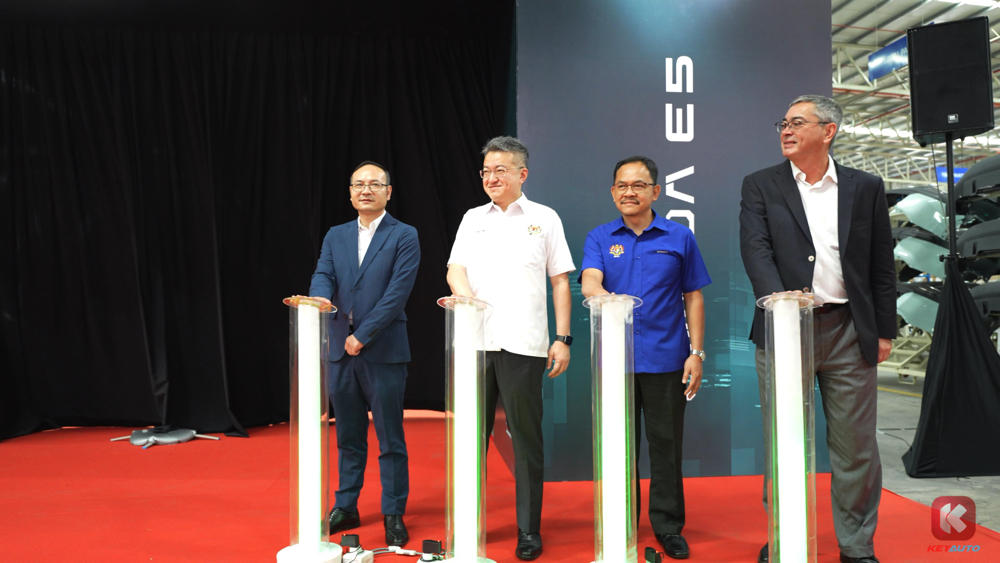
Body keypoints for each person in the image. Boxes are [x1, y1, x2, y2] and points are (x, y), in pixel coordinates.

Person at [739, 95, 895, 563]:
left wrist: (884, 330)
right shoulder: (760, 184)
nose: (786, 131)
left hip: (850, 330)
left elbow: (881, 262)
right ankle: (784, 538)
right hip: (784, 331)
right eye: (783, 123)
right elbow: (756, 250)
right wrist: (780, 301)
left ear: (828, 131)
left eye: (797, 123)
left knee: (857, 448)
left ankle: (857, 546)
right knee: (784, 442)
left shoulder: (866, 187)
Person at [446, 136, 575, 560]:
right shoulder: (472, 218)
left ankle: (529, 529)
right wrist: (466, 297)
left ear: (522, 173)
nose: (491, 178)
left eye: (500, 170)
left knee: (526, 440)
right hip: (475, 344)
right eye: (486, 171)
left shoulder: (544, 218)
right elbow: (455, 269)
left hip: (524, 344)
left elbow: (560, 280)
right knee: (470, 440)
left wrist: (562, 338)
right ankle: (467, 525)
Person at [580, 156, 711, 560]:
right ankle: (620, 523)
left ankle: (668, 527)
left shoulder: (679, 236)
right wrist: (604, 297)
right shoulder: (600, 237)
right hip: (615, 363)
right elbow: (589, 280)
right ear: (612, 192)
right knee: (619, 448)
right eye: (622, 185)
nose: (629, 192)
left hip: (666, 359)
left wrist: (696, 352)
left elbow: (693, 296)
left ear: (655, 191)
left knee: (666, 447)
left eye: (638, 185)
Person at [305, 161, 421, 547]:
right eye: (359, 184)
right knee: (348, 435)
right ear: (351, 193)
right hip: (340, 349)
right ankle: (346, 505)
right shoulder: (336, 234)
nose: (366, 190)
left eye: (374, 184)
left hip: (383, 349)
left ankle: (393, 512)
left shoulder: (404, 235)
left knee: (390, 437)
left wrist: (364, 335)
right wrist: (319, 299)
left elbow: (397, 293)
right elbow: (324, 274)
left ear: (389, 191)